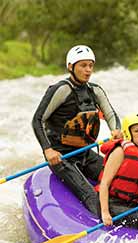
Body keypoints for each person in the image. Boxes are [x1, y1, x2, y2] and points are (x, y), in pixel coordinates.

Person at [31, 45, 122, 215]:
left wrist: (116, 130)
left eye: (90, 65)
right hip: (62, 157)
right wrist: (48, 149)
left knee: (120, 179)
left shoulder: (95, 90)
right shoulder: (60, 90)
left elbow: (111, 114)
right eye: (83, 65)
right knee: (91, 196)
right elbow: (37, 119)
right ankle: (103, 222)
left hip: (85, 152)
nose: (88, 70)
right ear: (71, 67)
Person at [96, 113, 138, 226]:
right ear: (128, 132)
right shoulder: (120, 152)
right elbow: (104, 184)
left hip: (134, 205)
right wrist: (105, 213)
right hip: (113, 203)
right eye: (137, 131)